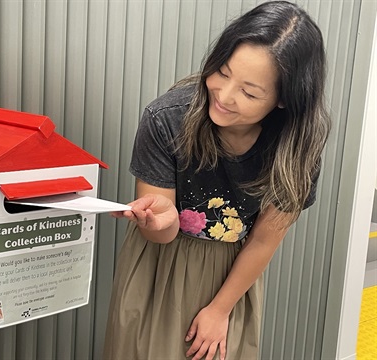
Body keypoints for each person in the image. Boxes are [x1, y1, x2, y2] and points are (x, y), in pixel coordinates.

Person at [103, 1, 331, 359]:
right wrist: (160, 219)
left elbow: (263, 241)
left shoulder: (297, 146)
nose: (224, 96)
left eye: (250, 92)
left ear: (285, 99)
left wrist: (220, 309)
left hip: (233, 276)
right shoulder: (167, 119)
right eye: (222, 73)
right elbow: (158, 232)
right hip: (158, 267)